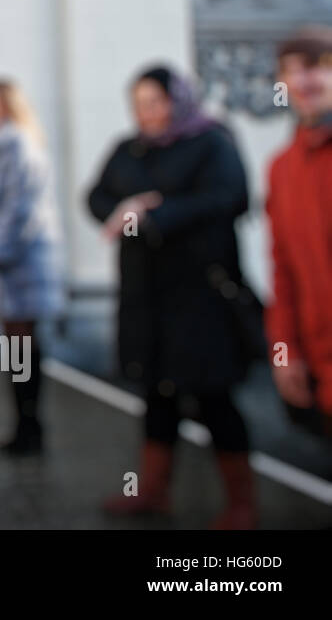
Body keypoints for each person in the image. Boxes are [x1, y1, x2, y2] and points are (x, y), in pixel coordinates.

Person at [86, 64, 256, 528]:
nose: (147, 113)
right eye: (139, 104)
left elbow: (231, 197)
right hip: (145, 297)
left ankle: (242, 504)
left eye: (156, 102)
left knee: (212, 398)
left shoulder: (211, 142)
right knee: (156, 394)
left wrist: (156, 211)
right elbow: (96, 196)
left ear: (177, 101)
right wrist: (122, 209)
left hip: (200, 298)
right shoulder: (128, 148)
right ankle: (152, 492)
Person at [0, 79, 63, 455]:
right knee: (15, 344)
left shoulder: (18, 144)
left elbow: (21, 205)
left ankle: (30, 428)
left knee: (23, 344)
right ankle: (24, 426)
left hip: (25, 258)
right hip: (1, 258)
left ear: (6, 106)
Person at [266, 26, 332, 441]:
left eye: (315, 67)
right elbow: (283, 267)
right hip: (320, 364)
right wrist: (284, 350)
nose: (303, 81)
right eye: (291, 71)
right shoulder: (283, 167)